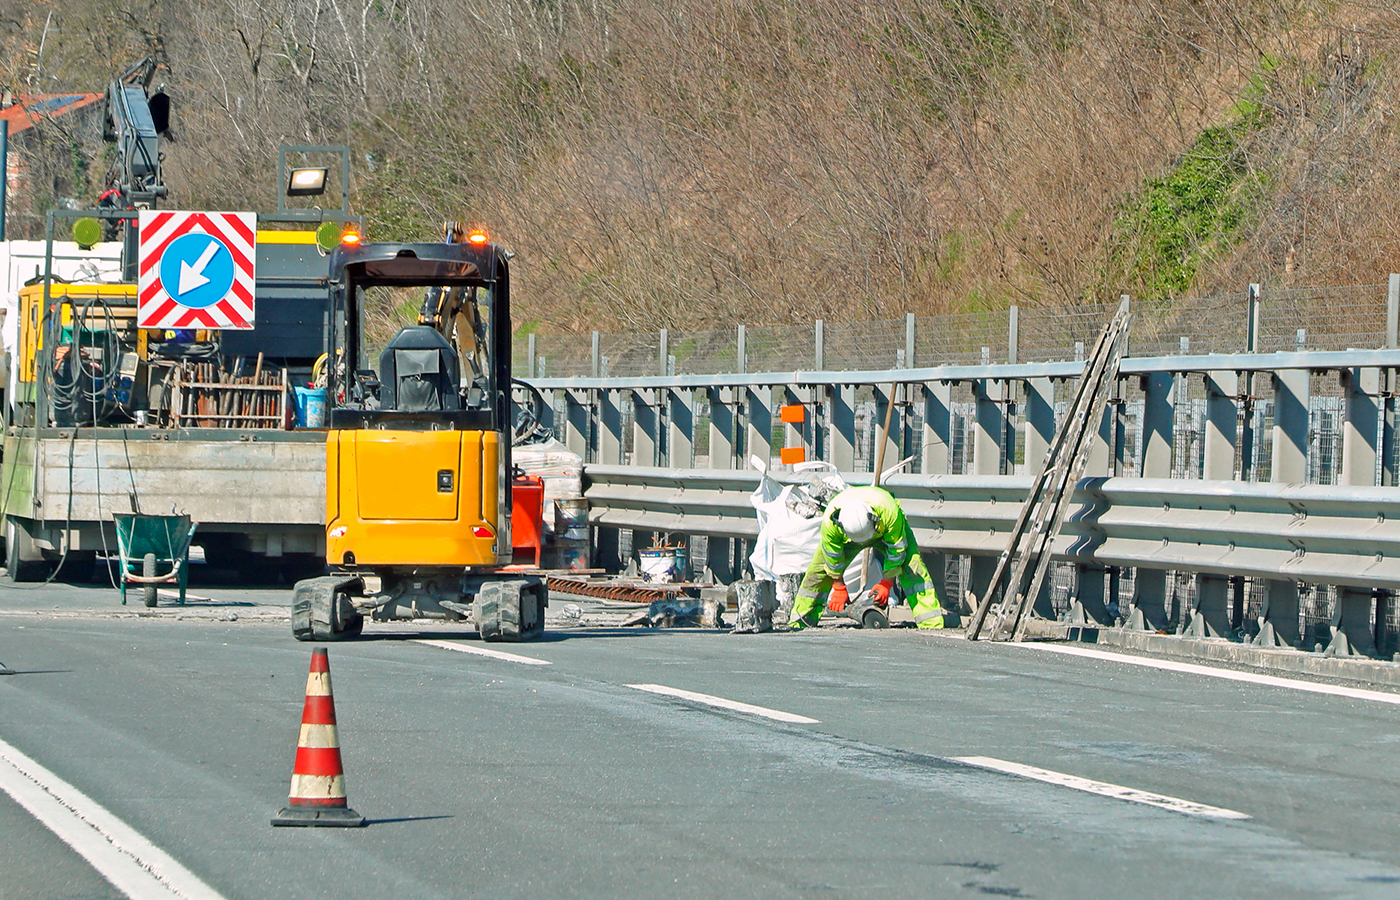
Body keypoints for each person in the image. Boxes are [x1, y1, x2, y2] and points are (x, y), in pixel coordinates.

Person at [788, 485, 946, 630]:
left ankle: (931, 625)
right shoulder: (831, 523)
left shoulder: (890, 513)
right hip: (847, 539)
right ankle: (800, 622)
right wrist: (839, 587)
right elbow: (832, 559)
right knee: (818, 572)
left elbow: (897, 552)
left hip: (883, 532)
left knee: (912, 567)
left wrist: (886, 583)